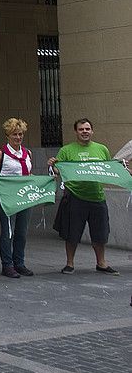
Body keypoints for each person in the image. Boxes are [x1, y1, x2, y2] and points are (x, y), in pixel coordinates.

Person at [50, 118, 119, 275]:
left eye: (87, 129)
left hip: (98, 197)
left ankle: (101, 263)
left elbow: (108, 169)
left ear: (92, 131)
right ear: (76, 132)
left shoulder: (102, 149)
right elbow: (58, 170)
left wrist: (122, 170)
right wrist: (53, 166)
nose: (85, 132)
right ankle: (69, 264)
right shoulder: (66, 150)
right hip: (75, 196)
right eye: (81, 129)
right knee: (71, 233)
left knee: (100, 233)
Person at [0, 118, 33, 279]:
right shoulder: (0, 154)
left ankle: (19, 263)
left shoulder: (28, 153)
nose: (18, 137)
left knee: (22, 231)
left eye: (20, 134)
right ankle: (7, 264)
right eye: (14, 134)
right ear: (8, 135)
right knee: (8, 232)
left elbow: (28, 174)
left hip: (25, 197)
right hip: (7, 198)